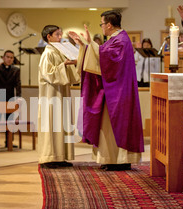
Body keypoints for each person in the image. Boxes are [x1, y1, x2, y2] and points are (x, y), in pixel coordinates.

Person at [69, 10, 144, 171]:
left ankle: (120, 160)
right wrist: (84, 45)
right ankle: (110, 158)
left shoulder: (121, 40)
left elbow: (107, 59)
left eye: (102, 24)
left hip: (119, 93)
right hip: (111, 91)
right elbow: (101, 58)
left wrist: (89, 44)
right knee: (107, 126)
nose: (102, 27)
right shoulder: (114, 39)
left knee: (117, 125)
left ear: (109, 25)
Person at [37, 25, 80, 169]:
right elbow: (48, 74)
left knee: (62, 124)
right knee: (52, 123)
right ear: (48, 37)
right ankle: (49, 157)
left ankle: (61, 156)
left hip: (62, 93)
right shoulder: (47, 53)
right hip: (51, 95)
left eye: (61, 34)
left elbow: (68, 71)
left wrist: (71, 63)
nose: (60, 37)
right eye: (57, 34)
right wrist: (64, 65)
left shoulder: (59, 51)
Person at [0, 50, 22, 148]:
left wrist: (19, 96)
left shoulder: (16, 70)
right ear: (3, 58)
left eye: (11, 57)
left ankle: (9, 142)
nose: (9, 59)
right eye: (7, 57)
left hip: (10, 97)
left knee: (10, 119)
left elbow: (18, 83)